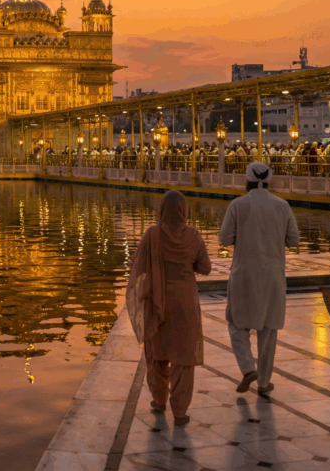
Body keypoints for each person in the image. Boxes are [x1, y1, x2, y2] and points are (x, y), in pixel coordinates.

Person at [126, 190, 212, 426]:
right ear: (185, 211)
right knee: (183, 360)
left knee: (157, 355)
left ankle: (159, 400)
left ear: (162, 210)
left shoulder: (152, 235)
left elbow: (137, 266)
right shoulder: (193, 236)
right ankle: (180, 412)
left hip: (158, 302)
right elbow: (205, 268)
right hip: (185, 303)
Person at [219, 162, 300, 395]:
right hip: (273, 275)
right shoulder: (282, 206)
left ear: (247, 180)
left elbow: (225, 239)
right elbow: (294, 240)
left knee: (236, 324)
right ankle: (264, 383)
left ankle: (247, 369)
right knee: (268, 329)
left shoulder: (238, 205)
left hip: (244, 274)